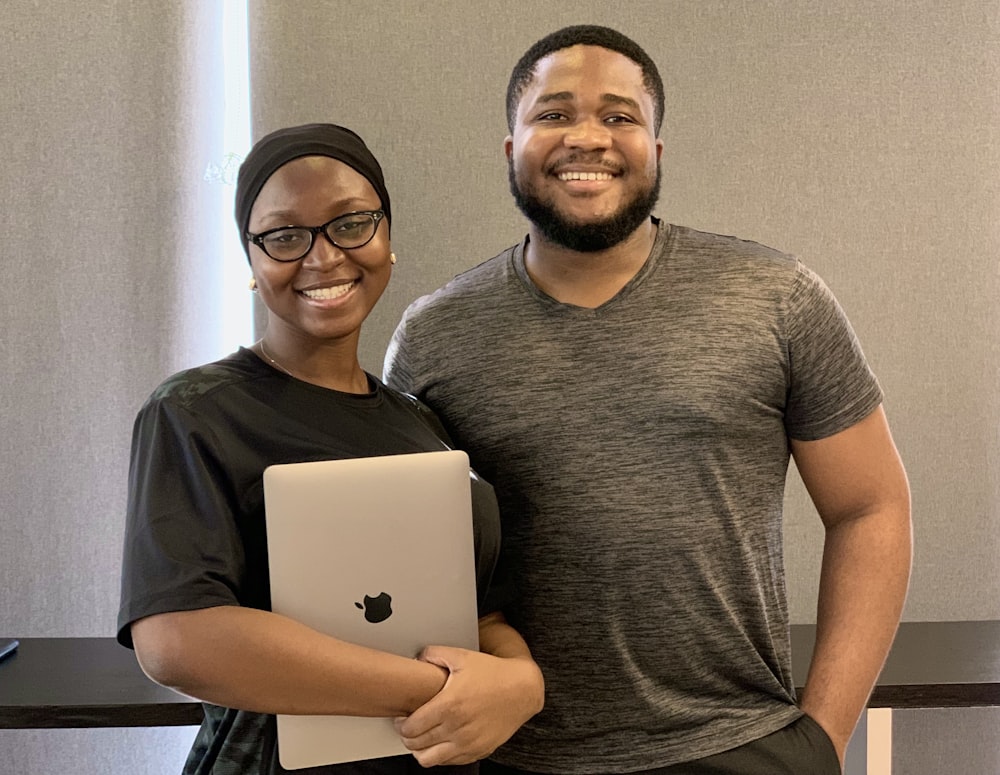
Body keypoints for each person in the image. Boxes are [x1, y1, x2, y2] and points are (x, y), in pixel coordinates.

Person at [384, 25, 912, 775]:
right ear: (512, 149)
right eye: (554, 114)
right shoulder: (434, 336)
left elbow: (871, 507)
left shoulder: (775, 298)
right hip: (520, 757)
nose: (587, 138)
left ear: (656, 149)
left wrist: (823, 736)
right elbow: (415, 566)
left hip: (740, 744)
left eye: (620, 116)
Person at [117, 123, 544, 775]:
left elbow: (474, 608)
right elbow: (178, 638)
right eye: (285, 235)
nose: (322, 257)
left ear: (387, 239)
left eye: (351, 223)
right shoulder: (195, 410)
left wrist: (520, 680)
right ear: (253, 263)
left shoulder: (422, 422)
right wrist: (432, 692)